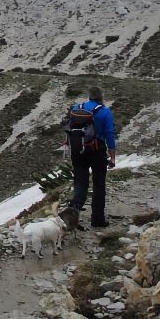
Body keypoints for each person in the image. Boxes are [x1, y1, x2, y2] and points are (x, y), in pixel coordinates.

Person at [66, 86, 116, 228]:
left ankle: (72, 214)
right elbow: (109, 135)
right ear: (101, 96)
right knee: (99, 185)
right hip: (97, 150)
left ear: (89, 96)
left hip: (78, 150)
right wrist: (112, 157)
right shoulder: (104, 111)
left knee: (80, 183)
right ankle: (97, 220)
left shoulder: (77, 107)